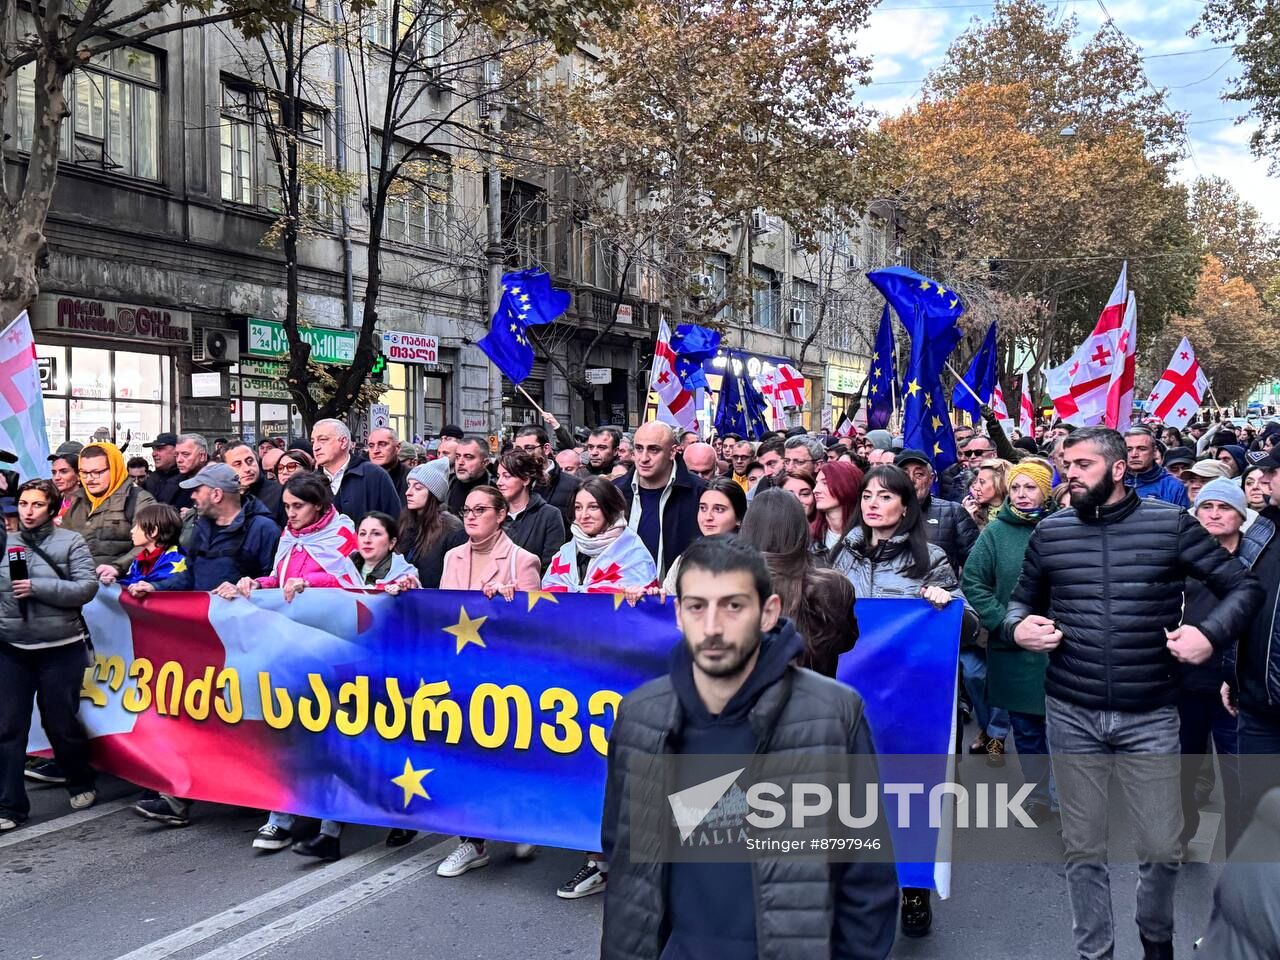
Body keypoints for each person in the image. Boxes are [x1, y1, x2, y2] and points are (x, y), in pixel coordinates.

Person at [1006, 426, 1263, 960]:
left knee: (1162, 848)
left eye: (1080, 465)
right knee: (1083, 849)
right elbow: (1020, 601)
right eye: (1064, 464)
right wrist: (1017, 627)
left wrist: (1207, 634)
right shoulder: (1051, 533)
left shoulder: (1171, 525)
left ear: (1118, 469)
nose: (1067, 474)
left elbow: (1244, 588)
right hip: (1071, 710)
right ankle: (1094, 952)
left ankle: (1156, 940)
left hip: (1150, 712)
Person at [599, 536, 899, 959]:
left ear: (768, 612)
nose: (714, 626)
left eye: (733, 606)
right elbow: (626, 857)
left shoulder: (833, 714)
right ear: (679, 615)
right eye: (697, 606)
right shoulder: (641, 715)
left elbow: (866, 876)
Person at [831, 463, 969, 937]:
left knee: (909, 796)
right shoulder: (839, 555)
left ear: (907, 507)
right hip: (850, 696)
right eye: (867, 495)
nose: (873, 503)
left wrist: (946, 604)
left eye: (886, 496)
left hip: (909, 703)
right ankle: (856, 888)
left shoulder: (931, 558)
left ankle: (913, 889)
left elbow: (970, 629)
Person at [231, 471, 361, 859]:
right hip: (289, 647)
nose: (290, 514)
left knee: (329, 738)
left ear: (318, 505)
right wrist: (255, 584)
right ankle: (282, 817)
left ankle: (330, 828)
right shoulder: (289, 535)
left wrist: (311, 587)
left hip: (332, 648)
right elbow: (279, 577)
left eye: (298, 506)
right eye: (286, 506)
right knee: (287, 733)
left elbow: (351, 583)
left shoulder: (343, 534)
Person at [434, 485, 542, 878]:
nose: (471, 516)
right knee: (465, 756)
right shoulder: (452, 557)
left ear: (501, 515)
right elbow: (443, 612)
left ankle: (521, 819)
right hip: (462, 673)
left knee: (508, 753)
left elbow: (537, 626)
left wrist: (512, 604)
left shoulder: (522, 560)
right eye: (467, 509)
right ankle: (472, 842)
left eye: (481, 510)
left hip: (505, 676)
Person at [0, 480, 100, 832]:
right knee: (9, 727)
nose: (28, 512)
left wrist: (37, 587)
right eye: (23, 504)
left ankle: (79, 777)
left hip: (60, 648)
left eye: (37, 505)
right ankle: (10, 805)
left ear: (52, 508)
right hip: (12, 648)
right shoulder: (6, 543)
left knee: (59, 722)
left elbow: (86, 588)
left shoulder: (70, 541)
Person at [961, 461, 1056, 815]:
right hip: (1013, 648)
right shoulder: (995, 533)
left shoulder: (1061, 527)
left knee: (1062, 731)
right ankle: (1038, 796)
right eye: (1016, 488)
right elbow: (973, 581)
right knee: (1027, 730)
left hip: (1060, 647)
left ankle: (1068, 804)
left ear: (1045, 491)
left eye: (1030, 487)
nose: (1022, 494)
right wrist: (1004, 622)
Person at [1181, 478, 1271, 852]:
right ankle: (1182, 837)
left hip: (1235, 687)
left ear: (1241, 515)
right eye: (1207, 507)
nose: (1214, 514)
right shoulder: (1182, 561)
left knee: (1238, 778)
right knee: (1181, 771)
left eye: (1224, 508)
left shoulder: (1256, 565)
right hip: (1186, 684)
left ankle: (1239, 853)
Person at [738, 488, 857, 677]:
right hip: (816, 700)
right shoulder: (834, 585)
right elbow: (846, 641)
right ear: (802, 530)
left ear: (747, 529)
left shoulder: (727, 587)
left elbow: (846, 641)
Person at [1224, 450, 1280, 835]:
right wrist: (1233, 671)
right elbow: (1243, 606)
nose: (1267, 480)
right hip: (1258, 706)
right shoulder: (1262, 530)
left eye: (1275, 472)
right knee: (1253, 821)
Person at [138, 464, 280, 598]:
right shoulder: (201, 527)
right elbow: (190, 575)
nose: (192, 496)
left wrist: (244, 589)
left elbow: (274, 582)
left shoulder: (263, 529)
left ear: (216, 494)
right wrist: (156, 587)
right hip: (203, 619)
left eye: (197, 490)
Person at [615, 422, 706, 578]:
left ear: (672, 452)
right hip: (621, 597)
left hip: (677, 596)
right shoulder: (615, 492)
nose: (644, 458)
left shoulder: (700, 493)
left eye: (653, 449)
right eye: (639, 448)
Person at [544, 477, 657, 595]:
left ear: (611, 508)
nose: (583, 516)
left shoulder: (635, 555)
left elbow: (647, 610)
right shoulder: (564, 555)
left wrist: (640, 594)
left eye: (593, 507)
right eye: (578, 507)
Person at [62, 442, 157, 580]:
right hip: (78, 585)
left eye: (97, 472)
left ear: (114, 469)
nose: (89, 479)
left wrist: (118, 567)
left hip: (120, 588)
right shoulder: (77, 500)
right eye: (84, 473)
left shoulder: (139, 499)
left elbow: (150, 542)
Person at [894, 449, 978, 575]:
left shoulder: (953, 512)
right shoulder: (879, 514)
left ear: (931, 479)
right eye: (904, 474)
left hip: (940, 591)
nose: (911, 480)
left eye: (919, 474)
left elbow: (976, 566)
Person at [657, 478, 748, 595]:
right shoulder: (685, 559)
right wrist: (652, 596)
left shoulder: (750, 561)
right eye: (703, 508)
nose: (708, 517)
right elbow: (669, 599)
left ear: (739, 518)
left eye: (719, 509)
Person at [311, 419, 402, 522]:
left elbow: (395, 521)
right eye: (313, 441)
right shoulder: (309, 482)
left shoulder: (375, 476)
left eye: (323, 439)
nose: (316, 447)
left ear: (343, 442)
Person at [397, 461, 466, 589]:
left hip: (436, 602)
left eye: (417, 488)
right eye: (409, 486)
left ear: (434, 493)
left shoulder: (452, 529)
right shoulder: (405, 522)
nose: (408, 492)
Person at [495, 449, 566, 572]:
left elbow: (551, 565)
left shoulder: (549, 515)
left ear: (526, 479)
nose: (499, 482)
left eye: (506, 476)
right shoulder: (494, 514)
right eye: (498, 476)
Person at [513, 425, 580, 532]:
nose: (522, 454)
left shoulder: (574, 485)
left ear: (546, 448)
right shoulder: (513, 483)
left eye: (529, 448)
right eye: (518, 449)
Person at [112, 503, 186, 588]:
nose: (132, 530)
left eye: (138, 526)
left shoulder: (178, 560)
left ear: (153, 531)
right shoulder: (140, 559)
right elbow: (132, 581)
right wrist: (115, 583)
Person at [812, 460, 864, 567]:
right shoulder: (809, 537)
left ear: (846, 486)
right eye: (817, 483)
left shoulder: (867, 541)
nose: (815, 490)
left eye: (825, 483)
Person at [351, 512, 419, 592]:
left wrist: (410, 590)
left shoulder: (405, 577)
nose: (367, 540)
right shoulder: (343, 569)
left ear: (392, 543)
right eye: (362, 534)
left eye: (376, 534)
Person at [1125, 426, 1190, 508]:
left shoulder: (1174, 487)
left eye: (1142, 449)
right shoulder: (1113, 484)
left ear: (1154, 451)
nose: (1134, 454)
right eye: (1129, 449)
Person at [222, 440, 284, 523]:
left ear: (257, 460)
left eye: (250, 461)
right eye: (237, 464)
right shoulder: (222, 498)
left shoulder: (280, 493)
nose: (247, 469)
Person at [446, 436, 496, 515]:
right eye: (457, 457)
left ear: (485, 462)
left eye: (468, 457)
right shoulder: (446, 484)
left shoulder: (497, 488)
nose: (460, 462)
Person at [962, 458, 1009, 532]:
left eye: (982, 482)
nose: (976, 488)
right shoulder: (973, 510)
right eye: (976, 482)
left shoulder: (1017, 511)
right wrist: (968, 520)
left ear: (1000, 483)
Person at [366, 427, 410, 506]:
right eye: (371, 446)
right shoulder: (359, 479)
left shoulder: (411, 479)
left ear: (398, 447)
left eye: (382, 444)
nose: (376, 450)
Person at [142, 433, 182, 506]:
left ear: (176, 451)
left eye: (159, 449)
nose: (153, 454)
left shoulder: (187, 480)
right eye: (153, 449)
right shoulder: (150, 479)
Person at [173, 433, 211, 512]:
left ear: (202, 456)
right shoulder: (172, 483)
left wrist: (194, 515)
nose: (179, 460)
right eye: (176, 455)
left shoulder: (216, 482)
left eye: (185, 454)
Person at [47, 442, 82, 525]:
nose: (57, 477)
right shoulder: (51, 499)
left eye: (64, 471)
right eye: (54, 472)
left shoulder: (89, 503)